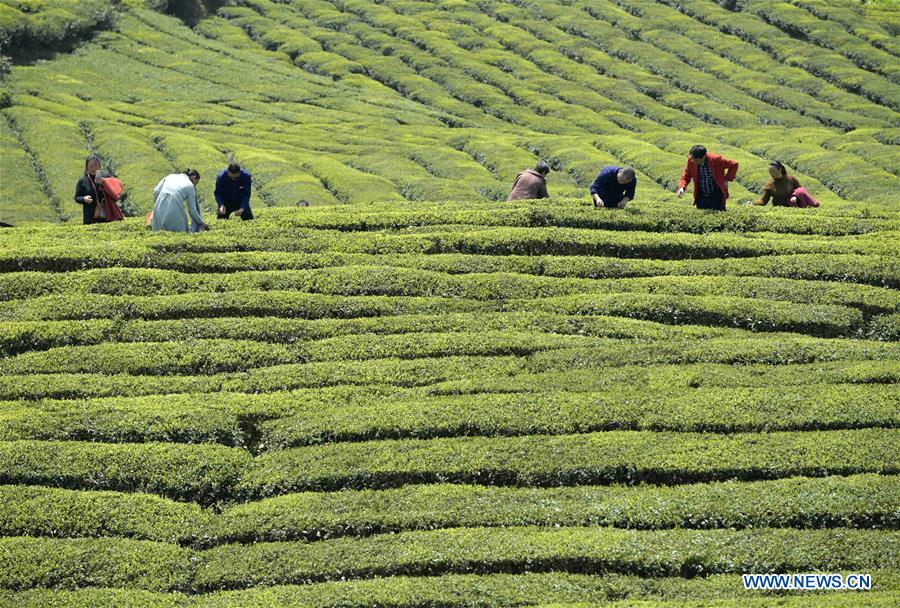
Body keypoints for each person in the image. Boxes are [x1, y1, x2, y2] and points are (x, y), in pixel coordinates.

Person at [677, 145, 739, 211]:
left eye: (695, 159)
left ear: (703, 157)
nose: (693, 161)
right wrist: (682, 188)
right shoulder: (691, 160)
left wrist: (727, 179)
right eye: (692, 158)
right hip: (701, 197)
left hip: (717, 197)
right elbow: (686, 176)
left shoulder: (716, 160)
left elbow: (734, 164)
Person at [751, 161, 819, 208]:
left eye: (773, 171)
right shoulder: (770, 185)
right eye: (770, 172)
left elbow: (801, 191)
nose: (772, 174)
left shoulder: (791, 179)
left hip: (794, 207)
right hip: (779, 210)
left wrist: (794, 196)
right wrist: (752, 204)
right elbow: (763, 201)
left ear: (780, 169)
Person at [74, 155, 105, 225]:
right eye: (91, 166)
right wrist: (84, 199)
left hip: (105, 215)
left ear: (99, 166)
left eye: (95, 165)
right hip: (89, 218)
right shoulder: (83, 180)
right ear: (87, 167)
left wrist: (104, 183)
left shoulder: (105, 176)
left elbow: (113, 191)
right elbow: (77, 197)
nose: (94, 168)